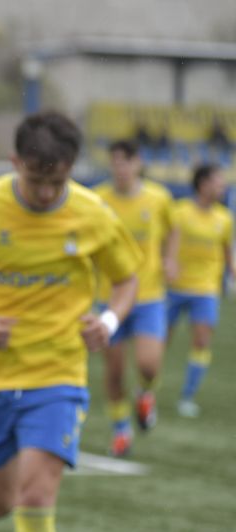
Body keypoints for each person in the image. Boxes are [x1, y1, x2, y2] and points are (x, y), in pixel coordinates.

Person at [0, 111, 140, 532]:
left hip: (57, 373)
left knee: (35, 495)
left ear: (72, 168)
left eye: (58, 182)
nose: (47, 193)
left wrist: (108, 321)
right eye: (36, 180)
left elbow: (126, 279)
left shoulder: (94, 214)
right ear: (15, 162)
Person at [94, 139, 178, 457]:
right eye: (115, 161)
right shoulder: (98, 200)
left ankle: (145, 395)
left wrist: (170, 259)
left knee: (148, 365)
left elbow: (173, 230)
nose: (120, 168)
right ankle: (121, 431)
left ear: (138, 163)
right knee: (115, 372)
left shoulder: (159, 198)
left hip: (149, 296)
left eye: (126, 161)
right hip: (110, 299)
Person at [167, 164, 234, 418]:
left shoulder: (224, 218)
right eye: (218, 182)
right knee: (160, 342)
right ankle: (146, 390)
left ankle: (187, 396)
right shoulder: (179, 212)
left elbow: (227, 253)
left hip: (206, 289)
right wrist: (167, 263)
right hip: (174, 289)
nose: (222, 187)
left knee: (202, 341)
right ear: (203, 184)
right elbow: (165, 244)